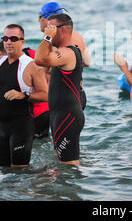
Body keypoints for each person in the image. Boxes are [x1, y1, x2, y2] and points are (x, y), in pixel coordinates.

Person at [0, 24, 48, 167]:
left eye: (13, 38)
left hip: (22, 126)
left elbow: (46, 95)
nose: (9, 42)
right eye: (6, 38)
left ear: (22, 41)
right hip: (1, 126)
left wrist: (24, 95)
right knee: (3, 171)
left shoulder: (31, 65)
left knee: (19, 173)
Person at [35, 13, 85, 165]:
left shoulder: (68, 53)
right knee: (61, 164)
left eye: (50, 28)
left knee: (69, 168)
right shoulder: (60, 53)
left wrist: (47, 38)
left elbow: (39, 59)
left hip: (68, 117)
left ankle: (73, 189)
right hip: (59, 115)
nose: (46, 31)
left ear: (62, 30)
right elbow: (44, 67)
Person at [38, 2, 89, 109]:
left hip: (66, 98)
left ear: (47, 18)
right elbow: (87, 61)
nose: (38, 20)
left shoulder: (58, 41)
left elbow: (43, 65)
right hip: (77, 93)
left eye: (40, 16)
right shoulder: (75, 35)